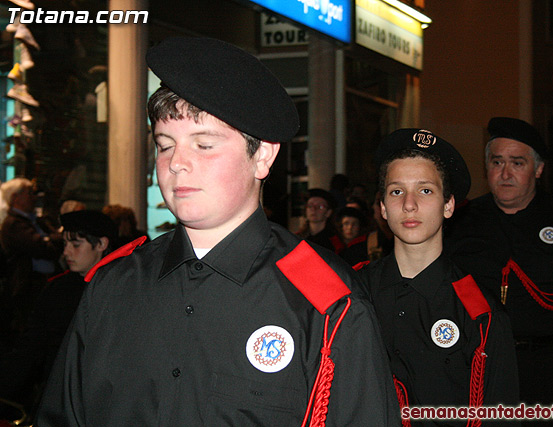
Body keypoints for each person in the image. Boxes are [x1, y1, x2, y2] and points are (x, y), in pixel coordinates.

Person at [36, 37, 399, 426]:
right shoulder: (113, 284)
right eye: (164, 145)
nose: (177, 164)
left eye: (204, 145)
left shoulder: (326, 304)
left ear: (262, 155)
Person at [446, 117, 553, 426]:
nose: (505, 173)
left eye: (517, 163)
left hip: (549, 371)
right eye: (496, 162)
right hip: (478, 370)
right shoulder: (461, 221)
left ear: (538, 169)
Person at [359, 128, 519, 426]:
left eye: (425, 190)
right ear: (382, 206)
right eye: (396, 191)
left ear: (449, 205)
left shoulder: (480, 314)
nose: (409, 204)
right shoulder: (353, 293)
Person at [0, 210, 117, 422]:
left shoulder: (123, 288)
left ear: (101, 244)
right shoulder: (57, 290)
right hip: (58, 402)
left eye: (76, 245)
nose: (67, 253)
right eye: (65, 245)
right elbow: (30, 348)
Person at [0, 178, 62, 345]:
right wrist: (52, 240)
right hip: (26, 288)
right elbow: (42, 248)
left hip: (42, 283)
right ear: (15, 198)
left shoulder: (35, 221)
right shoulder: (13, 224)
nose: (34, 197)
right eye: (29, 193)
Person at [296, 188, 343, 252]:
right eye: (310, 206)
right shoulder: (297, 238)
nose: (314, 209)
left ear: (328, 212)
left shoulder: (335, 242)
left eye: (320, 207)